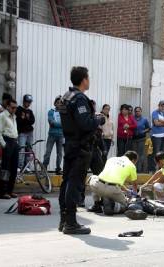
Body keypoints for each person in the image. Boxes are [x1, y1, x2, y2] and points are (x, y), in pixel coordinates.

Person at [58, 66, 105, 235]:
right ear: (84, 79)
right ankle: (70, 223)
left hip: (70, 144)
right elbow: (85, 123)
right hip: (80, 147)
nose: (89, 80)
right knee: (74, 183)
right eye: (88, 77)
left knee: (66, 182)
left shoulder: (65, 97)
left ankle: (64, 220)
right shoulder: (79, 98)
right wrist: (98, 119)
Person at [88, 151, 138, 215]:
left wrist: (126, 190)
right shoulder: (131, 166)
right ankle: (113, 206)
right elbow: (135, 184)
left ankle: (97, 204)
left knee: (94, 177)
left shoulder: (111, 159)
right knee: (127, 205)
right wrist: (135, 194)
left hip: (98, 186)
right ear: (133, 160)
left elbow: (109, 178)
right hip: (113, 190)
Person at [0, 99, 19, 199]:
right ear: (8, 107)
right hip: (7, 141)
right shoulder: (2, 116)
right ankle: (3, 192)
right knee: (6, 168)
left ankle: (10, 190)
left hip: (14, 142)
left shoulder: (14, 117)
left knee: (14, 168)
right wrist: (4, 144)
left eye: (15, 108)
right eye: (13, 107)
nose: (14, 109)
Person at [43, 96, 64, 175]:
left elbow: (66, 124)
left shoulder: (63, 112)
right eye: (57, 103)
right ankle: (44, 168)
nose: (59, 104)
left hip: (61, 135)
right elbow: (51, 122)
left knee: (59, 153)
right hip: (52, 135)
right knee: (48, 152)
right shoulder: (51, 112)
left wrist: (58, 124)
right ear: (55, 103)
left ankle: (58, 169)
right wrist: (61, 124)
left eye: (60, 103)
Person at [16, 94, 35, 171]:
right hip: (22, 132)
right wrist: (26, 120)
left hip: (30, 132)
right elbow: (18, 121)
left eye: (30, 102)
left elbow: (32, 121)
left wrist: (25, 119)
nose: (29, 104)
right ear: (24, 101)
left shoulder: (30, 111)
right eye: (27, 102)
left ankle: (27, 166)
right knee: (21, 149)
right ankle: (19, 166)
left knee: (29, 149)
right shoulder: (19, 109)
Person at [151, 100, 164, 169]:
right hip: (157, 135)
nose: (163, 107)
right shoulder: (155, 113)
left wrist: (161, 121)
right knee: (156, 152)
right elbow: (156, 123)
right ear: (158, 106)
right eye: (161, 106)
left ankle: (161, 167)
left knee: (163, 152)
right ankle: (155, 167)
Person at [132, 106, 150, 173]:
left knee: (140, 154)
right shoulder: (132, 118)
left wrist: (143, 131)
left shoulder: (144, 119)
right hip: (133, 139)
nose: (137, 112)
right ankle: (134, 169)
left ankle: (139, 170)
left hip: (142, 139)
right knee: (134, 154)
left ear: (141, 111)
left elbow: (148, 128)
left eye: (138, 111)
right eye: (136, 111)